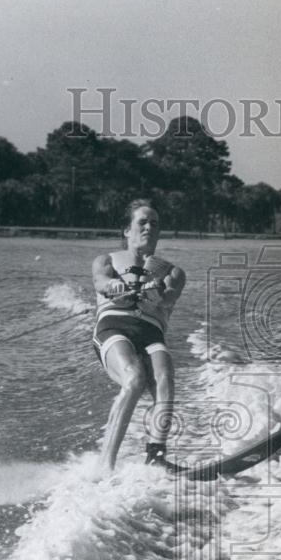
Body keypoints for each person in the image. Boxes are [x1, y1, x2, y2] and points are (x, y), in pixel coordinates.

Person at [91, 200, 186, 470]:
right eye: (142, 222)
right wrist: (115, 285)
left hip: (150, 332)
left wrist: (156, 293)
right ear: (127, 231)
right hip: (113, 327)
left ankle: (156, 457)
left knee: (164, 377)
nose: (148, 227)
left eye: (154, 223)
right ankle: (105, 464)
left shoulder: (173, 272)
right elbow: (100, 281)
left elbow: (168, 299)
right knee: (134, 378)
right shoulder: (106, 260)